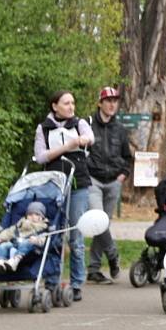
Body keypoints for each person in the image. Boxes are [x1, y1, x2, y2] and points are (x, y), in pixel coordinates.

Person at [34, 90, 95, 301]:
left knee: (76, 235)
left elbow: (90, 138)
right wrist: (65, 147)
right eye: (66, 103)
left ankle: (77, 283)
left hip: (78, 182)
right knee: (55, 233)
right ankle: (52, 281)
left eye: (73, 103)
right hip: (54, 185)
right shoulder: (43, 128)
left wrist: (81, 140)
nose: (71, 107)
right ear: (54, 106)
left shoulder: (79, 123)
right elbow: (40, 156)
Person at [86, 86, 132, 285]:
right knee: (98, 221)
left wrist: (123, 175)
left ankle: (94, 269)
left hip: (113, 181)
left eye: (115, 101)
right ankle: (112, 255)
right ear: (100, 103)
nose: (112, 104)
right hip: (93, 180)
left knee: (103, 224)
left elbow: (127, 157)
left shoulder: (120, 129)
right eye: (108, 100)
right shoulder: (87, 125)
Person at [0, 202, 49, 273]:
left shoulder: (42, 227)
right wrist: (0, 237)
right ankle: (0, 262)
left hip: (30, 248)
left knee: (27, 242)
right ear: (26, 216)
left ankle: (15, 260)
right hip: (16, 243)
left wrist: (37, 240)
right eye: (30, 214)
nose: (33, 216)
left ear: (42, 217)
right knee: (3, 246)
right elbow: (9, 231)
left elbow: (45, 239)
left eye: (36, 214)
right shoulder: (20, 224)